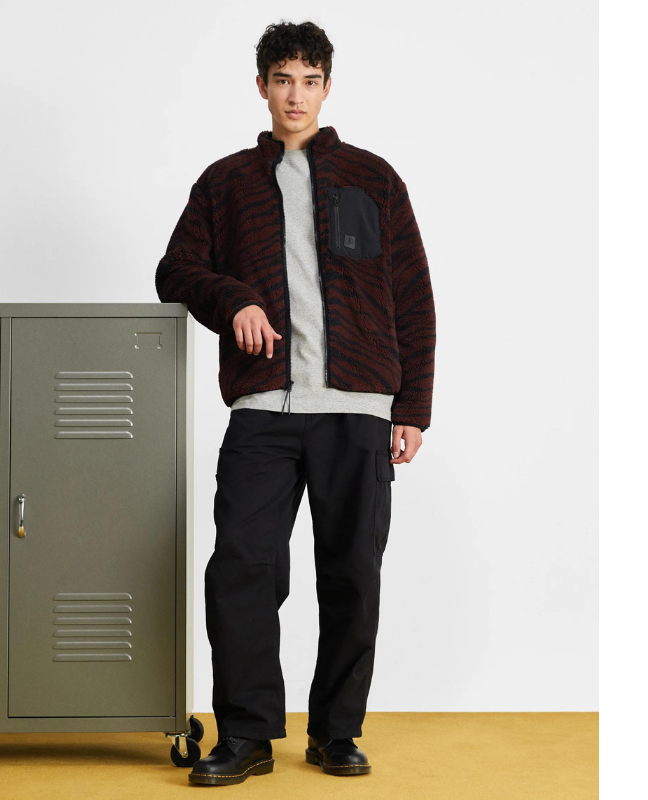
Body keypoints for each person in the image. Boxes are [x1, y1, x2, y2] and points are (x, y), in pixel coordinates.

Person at [155, 20, 436, 786]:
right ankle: (246, 735)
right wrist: (235, 299)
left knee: (352, 576)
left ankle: (336, 732)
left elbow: (412, 297)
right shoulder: (225, 184)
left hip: (359, 409)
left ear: (327, 87)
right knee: (241, 570)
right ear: (261, 86)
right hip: (264, 413)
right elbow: (176, 270)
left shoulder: (374, 179)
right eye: (283, 79)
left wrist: (412, 407)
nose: (295, 95)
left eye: (310, 80)